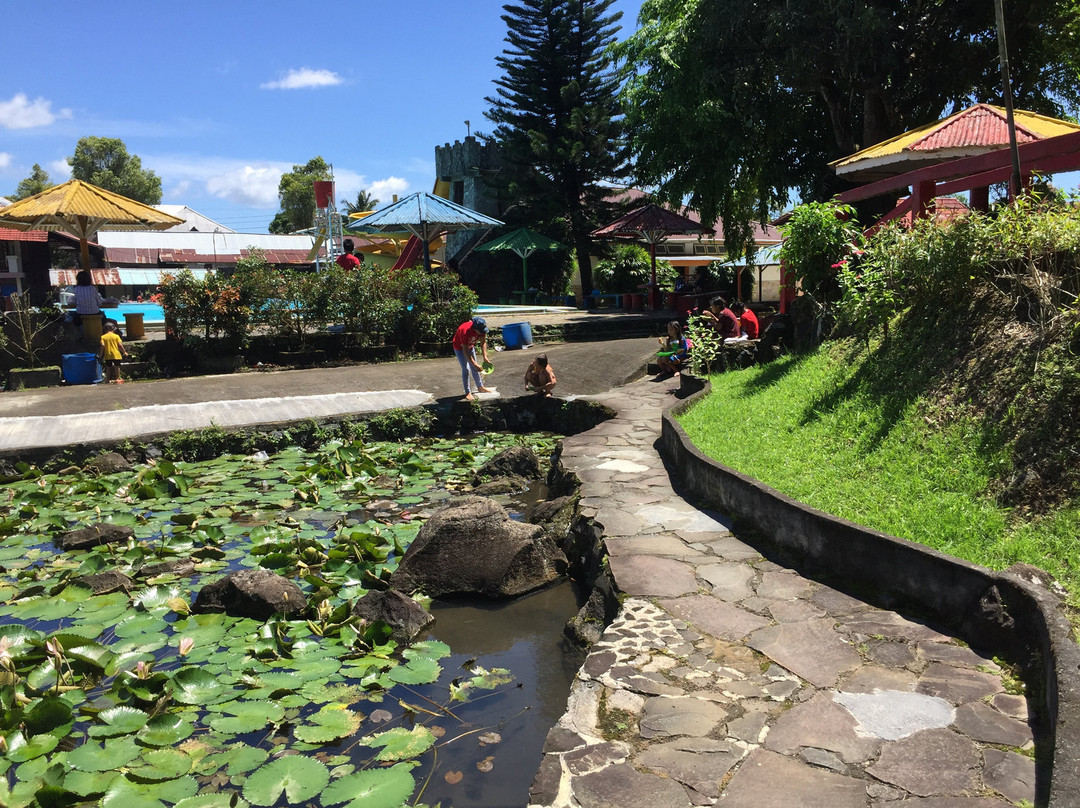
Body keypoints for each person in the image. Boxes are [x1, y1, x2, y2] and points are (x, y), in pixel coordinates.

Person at [452, 316, 493, 400]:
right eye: (480, 331)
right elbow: (465, 351)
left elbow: (483, 342)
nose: (482, 332)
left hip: (470, 346)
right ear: (474, 328)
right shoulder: (465, 331)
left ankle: (480, 387)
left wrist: (485, 356)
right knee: (466, 369)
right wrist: (474, 364)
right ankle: (467, 392)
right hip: (459, 348)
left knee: (475, 368)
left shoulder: (482, 329)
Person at [71, 270, 105, 336]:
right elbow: (99, 302)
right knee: (103, 317)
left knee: (73, 319)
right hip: (94, 312)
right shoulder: (92, 288)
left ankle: (80, 336)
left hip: (80, 313)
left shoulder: (76, 289)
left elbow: (71, 301)